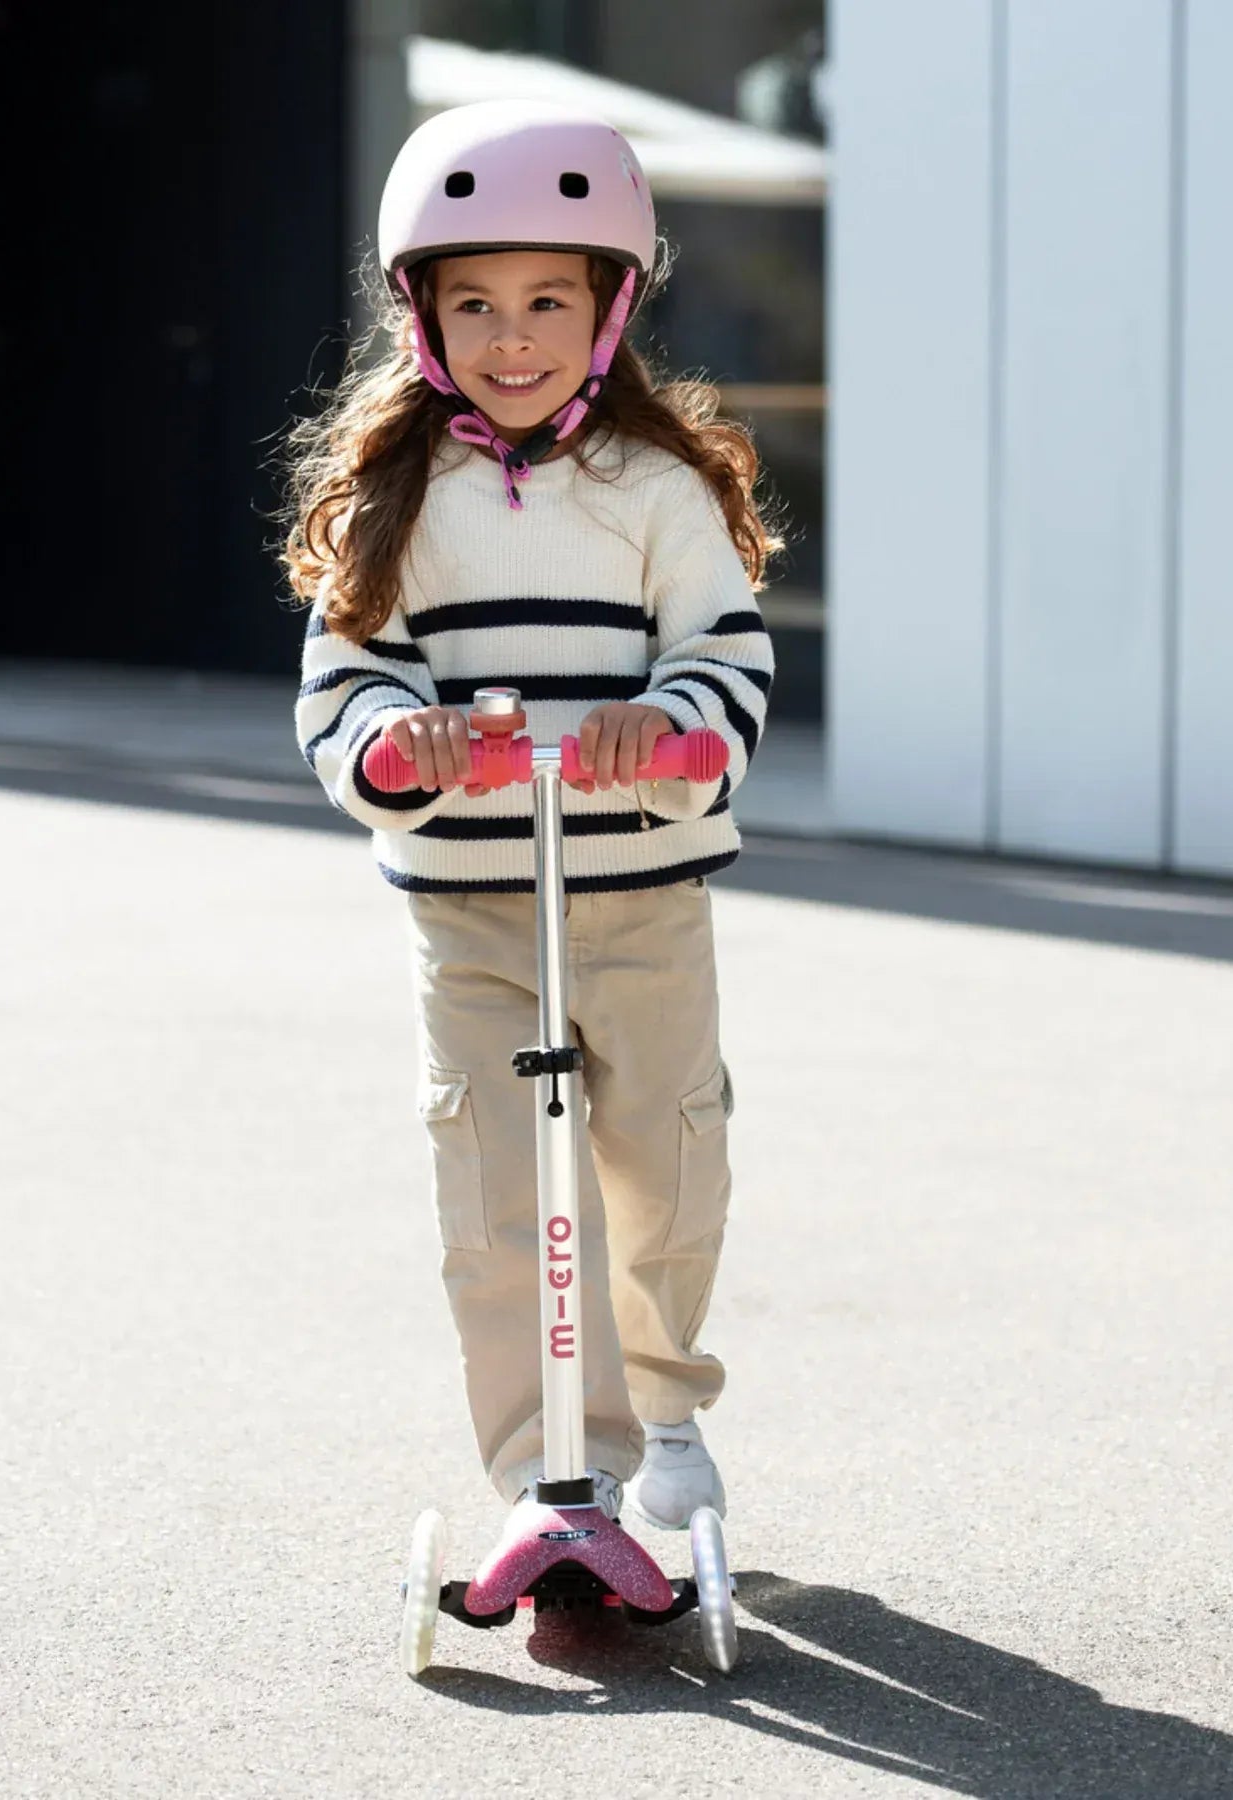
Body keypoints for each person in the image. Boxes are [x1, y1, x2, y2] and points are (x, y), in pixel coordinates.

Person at [282, 102, 777, 1531]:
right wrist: (397, 747)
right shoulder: (396, 499)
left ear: (609, 309)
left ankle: (666, 1412)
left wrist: (669, 729)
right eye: (476, 304)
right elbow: (345, 682)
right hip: (471, 909)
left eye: (548, 300)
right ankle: (554, 1475)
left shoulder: (657, 488)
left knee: (664, 1168)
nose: (513, 337)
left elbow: (725, 654)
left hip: (641, 892)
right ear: (424, 320)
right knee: (500, 1200)